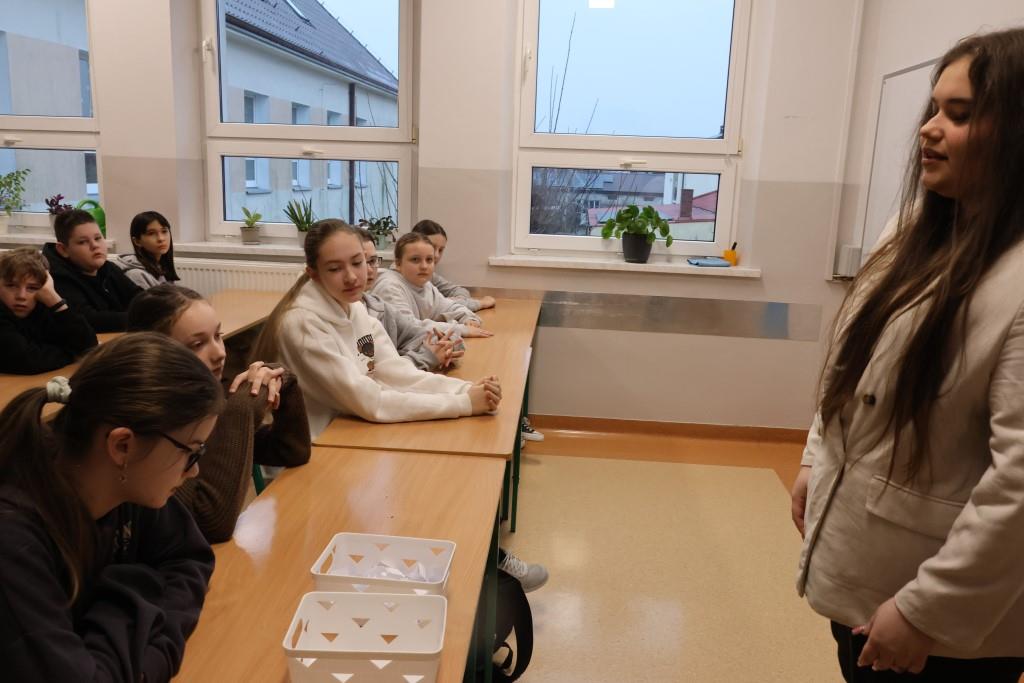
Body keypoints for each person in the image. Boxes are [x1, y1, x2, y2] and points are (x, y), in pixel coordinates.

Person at [792, 28, 1024, 681]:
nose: (928, 128)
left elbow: (1019, 483)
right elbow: (853, 368)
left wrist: (927, 610)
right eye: (934, 108)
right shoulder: (910, 234)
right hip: (869, 571)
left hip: (941, 621)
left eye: (960, 114)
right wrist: (815, 456)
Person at [0, 332, 224, 681]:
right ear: (122, 446)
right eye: (190, 452)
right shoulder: (14, 539)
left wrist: (150, 661)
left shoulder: (125, 483)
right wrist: (132, 589)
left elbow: (190, 558)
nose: (193, 471)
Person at [250, 219, 501, 438]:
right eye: (335, 268)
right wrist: (464, 404)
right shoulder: (302, 325)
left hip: (353, 431)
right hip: (316, 448)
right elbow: (371, 402)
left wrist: (465, 389)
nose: (351, 276)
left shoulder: (355, 308)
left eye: (357, 262)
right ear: (313, 273)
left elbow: (396, 372)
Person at [128, 285, 311, 543]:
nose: (220, 353)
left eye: (218, 335)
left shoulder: (195, 404)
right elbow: (211, 520)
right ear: (154, 353)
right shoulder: (148, 425)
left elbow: (289, 451)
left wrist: (282, 380)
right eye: (197, 344)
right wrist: (241, 409)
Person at [357, 227, 463, 371]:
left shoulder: (377, 306)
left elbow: (414, 334)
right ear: (398, 263)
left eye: (372, 261)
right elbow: (374, 373)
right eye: (358, 262)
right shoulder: (388, 288)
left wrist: (448, 343)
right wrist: (428, 356)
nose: (369, 270)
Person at [371, 232, 493, 338]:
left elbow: (450, 307)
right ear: (398, 263)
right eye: (415, 260)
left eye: (429, 260)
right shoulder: (389, 287)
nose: (424, 266)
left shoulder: (425, 285)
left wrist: (468, 318)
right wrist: (460, 329)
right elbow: (408, 329)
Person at [43, 209, 142, 332]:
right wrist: (142, 318)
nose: (95, 245)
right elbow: (89, 319)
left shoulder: (108, 268)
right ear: (63, 250)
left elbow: (139, 297)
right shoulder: (56, 278)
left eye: (98, 238)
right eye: (82, 242)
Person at [0, 247, 97, 374]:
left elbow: (89, 347)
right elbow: (27, 360)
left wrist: (55, 301)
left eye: (32, 288)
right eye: (11, 286)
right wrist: (71, 353)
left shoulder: (45, 305)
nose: (21, 296)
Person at [411, 219, 496, 311]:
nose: (436, 255)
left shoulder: (430, 275)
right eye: (432, 247)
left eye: (441, 250)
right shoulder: (408, 276)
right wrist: (481, 303)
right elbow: (434, 307)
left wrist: (453, 301)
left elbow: (459, 291)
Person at [113, 210, 181, 289]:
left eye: (164, 231)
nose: (161, 238)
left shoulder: (160, 265)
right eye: (151, 233)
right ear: (137, 241)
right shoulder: (136, 275)